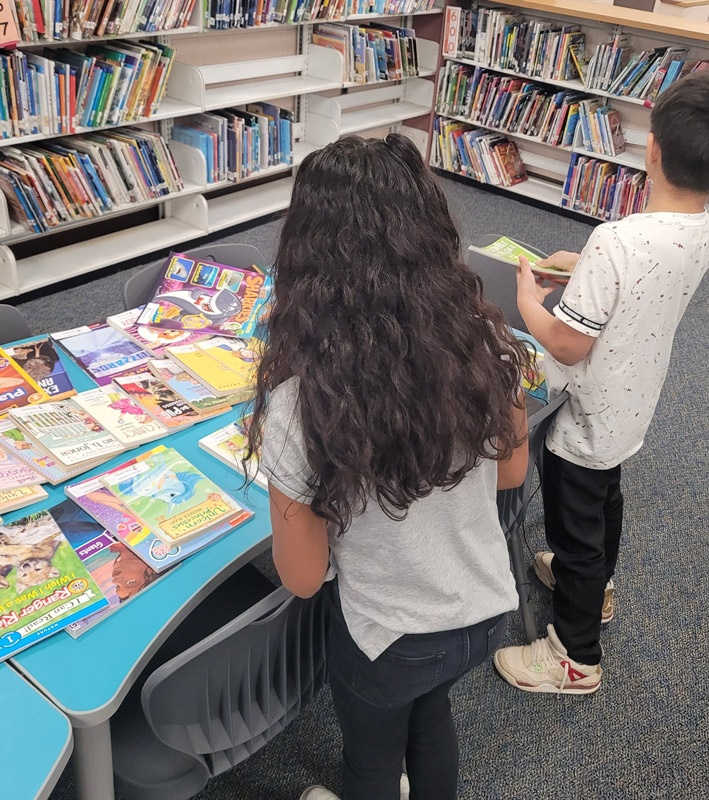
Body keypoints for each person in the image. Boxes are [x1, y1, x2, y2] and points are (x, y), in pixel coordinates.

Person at [243, 134, 531, 800]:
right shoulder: (484, 338)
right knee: (430, 719)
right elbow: (512, 476)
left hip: (388, 635)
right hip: (482, 608)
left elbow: (304, 576)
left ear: (304, 254)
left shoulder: (300, 401)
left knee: (371, 763)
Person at [493, 70, 709, 695]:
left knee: (576, 524)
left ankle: (574, 657)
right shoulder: (705, 233)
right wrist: (584, 265)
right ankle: (596, 585)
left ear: (650, 149)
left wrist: (529, 299)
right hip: (634, 399)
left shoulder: (616, 239)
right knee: (605, 505)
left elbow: (565, 341)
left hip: (588, 413)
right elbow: (642, 285)